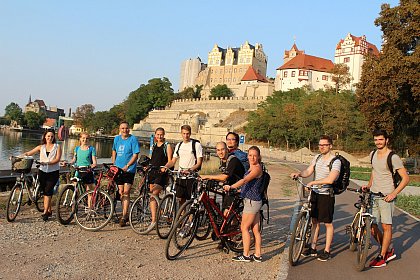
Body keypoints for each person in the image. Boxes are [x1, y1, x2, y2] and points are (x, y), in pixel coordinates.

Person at [362, 129, 409, 268]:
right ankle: (387, 250)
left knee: (386, 226)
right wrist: (369, 186)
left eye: (380, 139)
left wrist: (394, 193)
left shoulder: (393, 157)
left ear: (386, 140)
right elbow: (374, 171)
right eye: (376, 140)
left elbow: (406, 178)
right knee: (372, 227)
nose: (378, 142)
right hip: (374, 196)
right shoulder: (373, 154)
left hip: (386, 197)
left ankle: (382, 256)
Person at [290, 135, 341, 261]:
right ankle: (313, 247)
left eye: (324, 145)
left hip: (326, 195)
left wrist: (313, 183)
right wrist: (299, 174)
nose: (322, 147)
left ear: (330, 146)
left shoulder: (336, 161)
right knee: (314, 221)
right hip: (315, 193)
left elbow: (330, 179)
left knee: (328, 223)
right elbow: (308, 171)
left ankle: (327, 251)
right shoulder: (317, 158)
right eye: (320, 145)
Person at [200, 141, 245, 249]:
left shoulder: (232, 160)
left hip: (237, 189)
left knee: (227, 214)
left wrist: (207, 176)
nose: (220, 152)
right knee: (225, 212)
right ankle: (226, 236)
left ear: (227, 150)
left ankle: (231, 239)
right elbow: (222, 176)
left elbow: (224, 177)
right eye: (218, 150)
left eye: (222, 149)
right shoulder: (222, 161)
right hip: (228, 188)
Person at [223, 146, 263, 262]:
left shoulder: (256, 169)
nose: (252, 157)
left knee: (244, 228)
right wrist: (240, 190)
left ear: (259, 157)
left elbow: (245, 180)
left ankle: (245, 255)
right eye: (250, 155)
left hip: (252, 202)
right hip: (254, 201)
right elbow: (251, 185)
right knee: (255, 230)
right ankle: (257, 255)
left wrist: (231, 186)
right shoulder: (252, 167)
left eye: (255, 155)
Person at [23, 129, 62, 221]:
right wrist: (17, 157)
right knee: (45, 191)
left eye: (52, 136)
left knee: (48, 190)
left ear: (54, 138)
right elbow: (29, 153)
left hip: (53, 172)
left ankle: (45, 212)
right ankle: (48, 209)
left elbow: (57, 159)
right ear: (45, 136)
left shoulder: (57, 147)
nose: (50, 138)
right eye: (48, 136)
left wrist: (47, 163)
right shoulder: (41, 147)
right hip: (42, 171)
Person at [163, 125, 203, 206]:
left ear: (190, 133)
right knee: (181, 199)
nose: (186, 136)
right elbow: (173, 160)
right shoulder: (179, 145)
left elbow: (199, 163)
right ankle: (182, 218)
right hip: (181, 175)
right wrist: (166, 167)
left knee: (191, 201)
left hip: (191, 175)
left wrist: (190, 170)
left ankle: (191, 218)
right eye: (184, 133)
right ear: (181, 133)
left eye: (187, 133)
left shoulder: (196, 145)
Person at [111, 121, 140, 227]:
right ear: (120, 129)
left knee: (127, 192)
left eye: (126, 128)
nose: (125, 130)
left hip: (129, 169)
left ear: (129, 129)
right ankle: (125, 212)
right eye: (123, 128)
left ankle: (124, 216)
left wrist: (128, 165)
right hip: (118, 169)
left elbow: (135, 154)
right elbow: (114, 150)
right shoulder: (117, 139)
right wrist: (113, 163)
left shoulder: (133, 139)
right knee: (121, 191)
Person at [147, 127, 173, 232]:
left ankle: (154, 221)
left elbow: (170, 160)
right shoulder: (153, 146)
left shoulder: (167, 146)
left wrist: (165, 168)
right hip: (152, 172)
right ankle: (160, 214)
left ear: (164, 135)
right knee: (153, 196)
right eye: (158, 134)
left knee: (153, 194)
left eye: (161, 134)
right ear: (155, 134)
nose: (159, 136)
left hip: (162, 174)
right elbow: (151, 159)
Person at [68, 132, 97, 207]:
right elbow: (74, 159)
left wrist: (91, 166)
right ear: (80, 139)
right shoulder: (77, 148)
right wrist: (69, 163)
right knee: (75, 189)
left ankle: (89, 209)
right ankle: (74, 208)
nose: (85, 140)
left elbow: (94, 162)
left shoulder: (91, 149)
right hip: (78, 171)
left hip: (87, 171)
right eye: (83, 138)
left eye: (87, 138)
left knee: (89, 192)